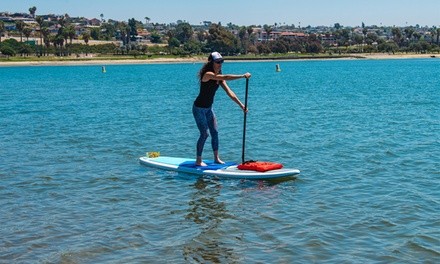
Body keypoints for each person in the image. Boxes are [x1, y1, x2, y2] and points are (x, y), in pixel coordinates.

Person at [193, 51, 251, 166]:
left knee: (215, 132)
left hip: (209, 108)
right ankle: (198, 161)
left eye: (222, 61)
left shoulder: (219, 76)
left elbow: (229, 92)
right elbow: (225, 77)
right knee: (204, 134)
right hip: (198, 108)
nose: (220, 64)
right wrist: (242, 76)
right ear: (211, 62)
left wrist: (241, 105)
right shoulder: (208, 74)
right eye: (218, 62)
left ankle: (216, 158)